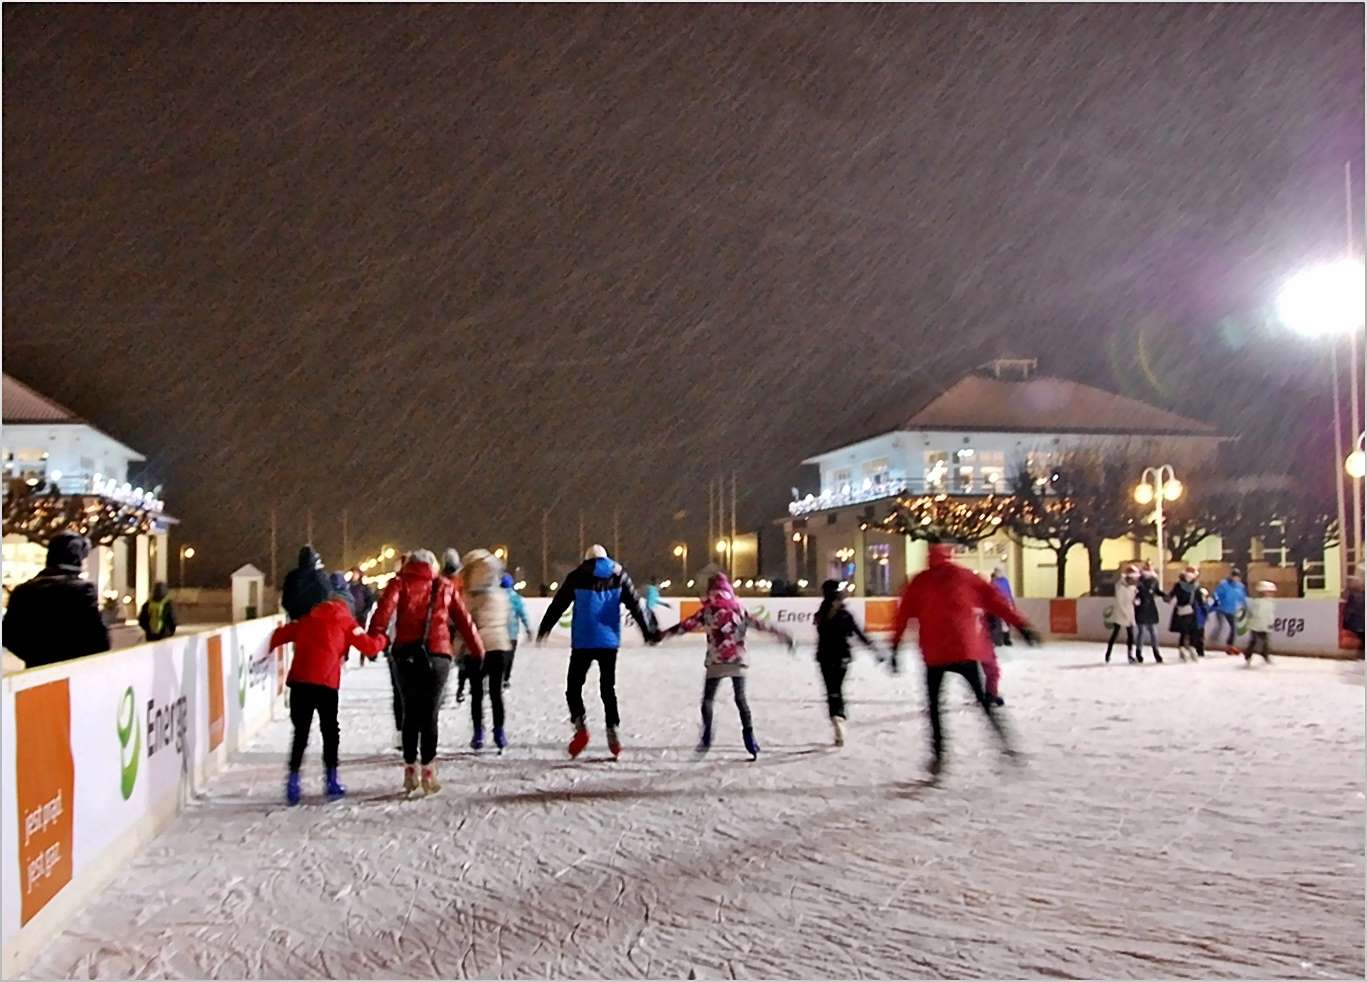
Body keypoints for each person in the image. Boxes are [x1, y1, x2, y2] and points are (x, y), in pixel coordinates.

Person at [890, 543, 1039, 778]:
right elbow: (997, 601)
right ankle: (1005, 743)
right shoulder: (965, 576)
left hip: (935, 654)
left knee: (935, 707)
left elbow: (902, 616)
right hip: (964, 651)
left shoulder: (920, 581)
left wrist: (894, 647)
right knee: (982, 700)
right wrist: (1022, 626)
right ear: (950, 556)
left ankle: (939, 755)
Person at [368, 549, 485, 794]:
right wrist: (477, 649)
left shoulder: (398, 583)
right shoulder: (443, 586)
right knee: (430, 713)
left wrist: (374, 639)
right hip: (437, 655)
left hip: (406, 655)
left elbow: (383, 613)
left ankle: (410, 770)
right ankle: (429, 772)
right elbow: (463, 620)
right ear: (432, 565)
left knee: (410, 711)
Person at [537, 545, 655, 760]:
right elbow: (635, 606)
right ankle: (612, 730)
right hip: (608, 642)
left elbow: (559, 603)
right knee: (607, 687)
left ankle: (580, 727)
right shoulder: (620, 576)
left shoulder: (577, 575)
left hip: (583, 640)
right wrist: (647, 632)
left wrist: (545, 627)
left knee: (573, 687)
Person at [659, 571, 791, 759]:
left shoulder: (709, 608)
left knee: (708, 700)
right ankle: (750, 738)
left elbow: (686, 625)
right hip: (737, 659)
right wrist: (781, 634)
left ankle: (706, 736)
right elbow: (759, 624)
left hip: (716, 659)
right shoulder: (738, 607)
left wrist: (663, 634)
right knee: (741, 700)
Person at [269, 590, 385, 804]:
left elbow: (280, 635)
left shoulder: (307, 619)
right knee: (330, 731)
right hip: (326, 684)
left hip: (300, 682)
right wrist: (382, 639)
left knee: (300, 733)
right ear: (346, 606)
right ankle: (331, 780)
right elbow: (369, 647)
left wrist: (263, 653)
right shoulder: (347, 622)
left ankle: (293, 782)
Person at [2, 532, 110, 667]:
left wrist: (36, 655)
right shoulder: (83, 590)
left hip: (37, 669)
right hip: (75, 668)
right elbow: (97, 638)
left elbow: (8, 635)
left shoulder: (24, 590)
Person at [813, 578, 879, 746]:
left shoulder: (821, 613)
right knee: (838, 689)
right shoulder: (844, 614)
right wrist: (874, 648)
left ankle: (836, 717)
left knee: (831, 690)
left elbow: (821, 628)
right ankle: (839, 716)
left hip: (825, 657)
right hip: (842, 656)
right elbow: (858, 633)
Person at [460, 549, 513, 751]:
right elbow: (506, 621)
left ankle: (478, 732)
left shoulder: (469, 597)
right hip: (499, 646)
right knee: (496, 693)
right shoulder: (501, 595)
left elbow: (463, 625)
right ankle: (499, 731)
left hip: (476, 648)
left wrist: (459, 648)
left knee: (476, 694)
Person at [281, 545, 330, 621]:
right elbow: (328, 595)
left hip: (297, 620)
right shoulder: (320, 576)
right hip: (316, 621)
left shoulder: (291, 577)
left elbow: (285, 601)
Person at [502, 572, 531, 689]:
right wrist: (527, 628)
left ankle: (497, 677)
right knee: (509, 657)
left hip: (499, 632)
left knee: (498, 656)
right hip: (512, 633)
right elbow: (522, 614)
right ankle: (505, 678)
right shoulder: (515, 597)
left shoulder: (495, 597)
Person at [1168, 565, 1204, 662]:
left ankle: (1188, 648)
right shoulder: (1183, 585)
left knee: (1190, 631)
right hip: (1185, 611)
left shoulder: (1194, 586)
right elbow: (1171, 595)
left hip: (1189, 611)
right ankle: (1184, 648)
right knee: (1185, 631)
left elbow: (1199, 599)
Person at [1104, 565, 1138, 663]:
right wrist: (1125, 614)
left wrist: (1136, 601)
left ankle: (1130, 655)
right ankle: (1108, 653)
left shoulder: (1133, 586)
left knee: (1130, 635)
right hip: (1121, 613)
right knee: (1115, 633)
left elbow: (1133, 598)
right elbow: (1120, 601)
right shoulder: (1120, 586)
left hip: (1130, 612)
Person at [1133, 563, 1165, 663]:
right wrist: (1136, 598)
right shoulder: (1139, 580)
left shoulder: (1154, 580)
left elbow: (1157, 591)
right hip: (1141, 608)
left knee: (1153, 632)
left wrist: (1165, 595)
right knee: (1141, 631)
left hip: (1150, 608)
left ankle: (1156, 652)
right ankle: (1139, 652)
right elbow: (1135, 592)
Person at [1211, 569, 1248, 650]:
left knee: (1233, 627)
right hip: (1221, 608)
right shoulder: (1224, 584)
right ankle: (1213, 639)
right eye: (1234, 577)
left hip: (1231, 610)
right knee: (1220, 625)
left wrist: (1245, 605)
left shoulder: (1240, 586)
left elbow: (1242, 597)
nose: (1236, 579)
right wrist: (1217, 601)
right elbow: (1216, 593)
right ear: (1231, 576)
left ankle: (1230, 645)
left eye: (1237, 577)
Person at [1243, 581, 1277, 665]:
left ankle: (1265, 655)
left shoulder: (1270, 603)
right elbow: (1253, 613)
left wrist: (1270, 623)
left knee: (1265, 642)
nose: (1270, 594)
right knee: (1254, 641)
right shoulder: (1257, 602)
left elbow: (1270, 614)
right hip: (1256, 625)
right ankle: (1248, 655)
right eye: (1269, 592)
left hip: (1264, 626)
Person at [988, 567, 1015, 646]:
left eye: (1000, 571)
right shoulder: (993, 582)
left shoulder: (1005, 581)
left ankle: (1006, 639)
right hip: (997, 604)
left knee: (1006, 622)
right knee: (997, 622)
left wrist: (1011, 603)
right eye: (998, 571)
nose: (999, 573)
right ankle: (998, 640)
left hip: (1006, 603)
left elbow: (1008, 592)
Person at [1344, 576, 1365, 652]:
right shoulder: (1360, 594)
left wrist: (1346, 619)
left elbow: (1351, 608)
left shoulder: (1353, 596)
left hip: (1357, 620)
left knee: (1361, 634)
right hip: (1359, 620)